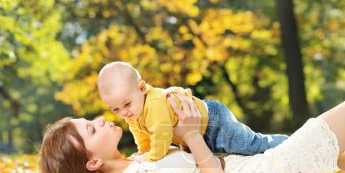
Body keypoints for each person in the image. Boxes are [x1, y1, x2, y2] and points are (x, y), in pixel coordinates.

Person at [39, 89, 345, 173]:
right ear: (93, 162)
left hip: (268, 160)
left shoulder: (141, 158)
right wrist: (192, 139)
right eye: (90, 129)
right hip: (273, 169)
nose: (100, 121)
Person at [97, 61, 288, 161]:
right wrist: (144, 150)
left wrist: (151, 157)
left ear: (141, 88)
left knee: (250, 145)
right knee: (235, 155)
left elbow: (161, 135)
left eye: (126, 104)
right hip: (199, 131)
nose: (123, 112)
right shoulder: (133, 111)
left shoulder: (154, 103)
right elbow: (141, 134)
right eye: (115, 109)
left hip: (214, 122)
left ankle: (289, 142)